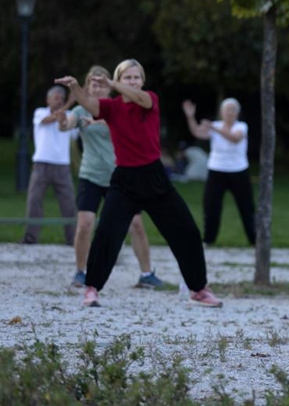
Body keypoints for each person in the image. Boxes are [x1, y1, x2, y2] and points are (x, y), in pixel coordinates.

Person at [55, 59, 221, 308]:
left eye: (136, 77)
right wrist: (76, 87)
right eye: (128, 78)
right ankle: (92, 288)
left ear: (142, 81)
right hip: (124, 181)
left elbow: (139, 98)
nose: (133, 81)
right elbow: (88, 103)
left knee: (187, 232)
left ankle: (198, 289)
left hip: (154, 179)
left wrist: (112, 83)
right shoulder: (111, 108)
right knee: (107, 235)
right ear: (121, 80)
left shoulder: (149, 99)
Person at [56, 65, 163, 289]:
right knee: (85, 224)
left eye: (100, 83)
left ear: (108, 85)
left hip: (119, 176)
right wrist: (62, 121)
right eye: (92, 84)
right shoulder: (81, 111)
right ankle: (81, 271)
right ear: (88, 86)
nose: (96, 88)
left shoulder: (118, 107)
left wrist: (102, 122)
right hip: (91, 174)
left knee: (136, 224)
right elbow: (68, 125)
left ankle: (146, 273)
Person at [182, 98, 256, 246]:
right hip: (217, 170)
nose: (230, 113)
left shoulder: (241, 126)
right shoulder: (216, 126)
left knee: (247, 207)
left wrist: (214, 129)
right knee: (211, 206)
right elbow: (197, 132)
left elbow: (235, 138)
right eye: (227, 109)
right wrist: (190, 116)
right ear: (221, 112)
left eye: (233, 110)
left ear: (237, 112)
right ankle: (209, 239)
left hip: (238, 170)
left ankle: (255, 240)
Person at [21, 86, 77, 245]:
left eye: (62, 98)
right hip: (41, 164)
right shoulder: (40, 113)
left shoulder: (70, 115)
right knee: (34, 201)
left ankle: (72, 239)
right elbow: (48, 120)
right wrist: (70, 103)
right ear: (48, 100)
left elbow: (73, 132)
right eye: (56, 98)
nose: (59, 101)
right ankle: (31, 237)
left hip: (62, 166)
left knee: (68, 204)